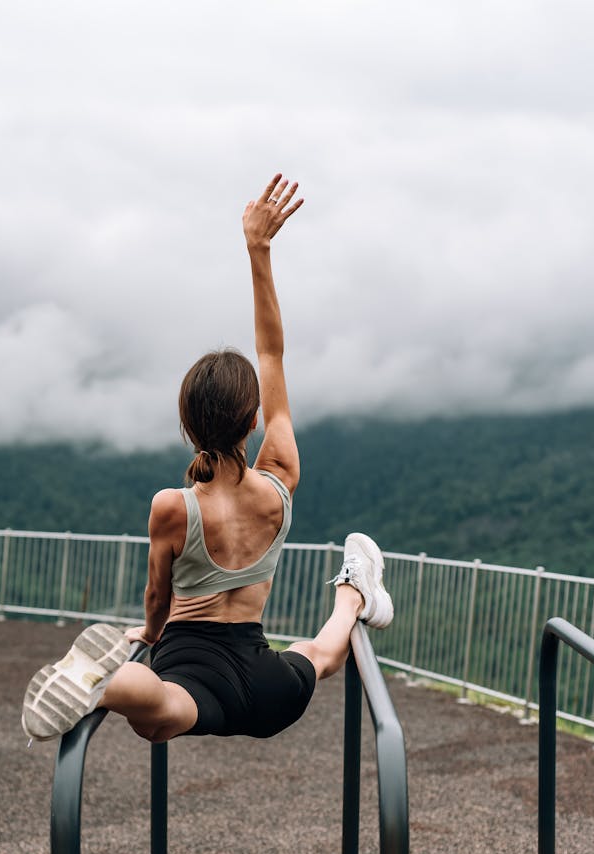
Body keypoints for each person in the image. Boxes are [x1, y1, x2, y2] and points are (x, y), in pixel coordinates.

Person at [21, 174, 393, 745]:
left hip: (195, 670)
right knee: (318, 655)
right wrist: (259, 251)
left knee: (160, 714)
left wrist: (145, 634)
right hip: (265, 682)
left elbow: (157, 599)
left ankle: (106, 681)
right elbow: (271, 351)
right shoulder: (280, 485)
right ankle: (355, 592)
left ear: (187, 425)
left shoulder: (173, 506)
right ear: (252, 422)